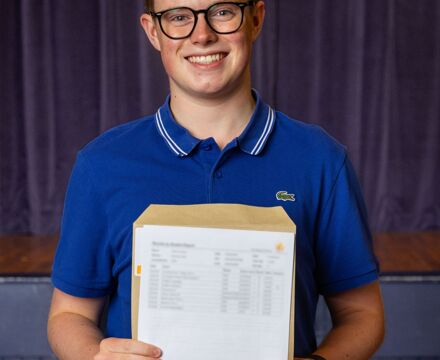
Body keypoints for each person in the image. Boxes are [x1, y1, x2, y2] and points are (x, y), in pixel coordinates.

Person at [47, 0, 385, 359]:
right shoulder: (102, 165)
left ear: (255, 18)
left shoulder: (320, 159)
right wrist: (93, 355)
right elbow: (69, 314)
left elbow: (362, 313)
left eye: (222, 12)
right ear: (152, 31)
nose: (202, 35)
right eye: (179, 17)